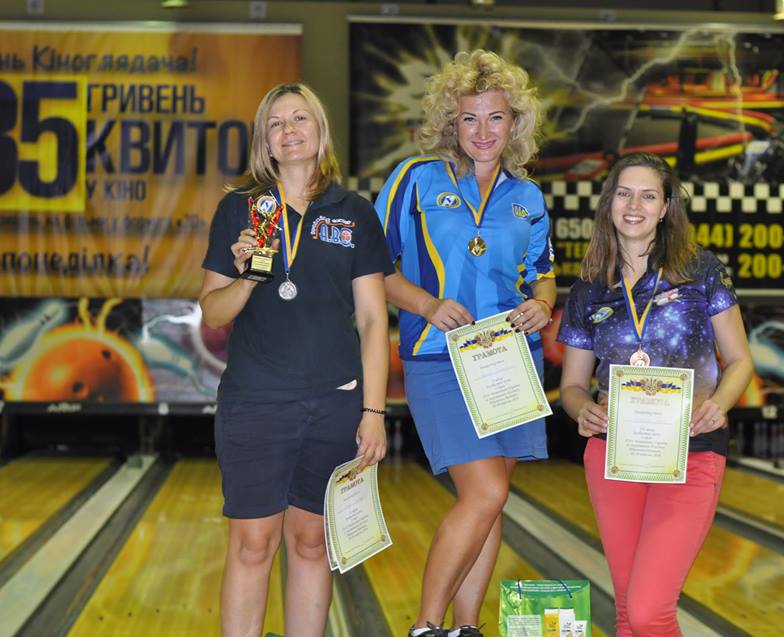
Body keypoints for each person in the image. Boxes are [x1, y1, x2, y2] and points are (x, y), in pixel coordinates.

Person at [199, 82, 392, 637]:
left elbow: (374, 321)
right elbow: (213, 313)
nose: (289, 130)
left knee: (311, 543)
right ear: (265, 140)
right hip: (256, 403)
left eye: (300, 118)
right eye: (276, 123)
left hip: (335, 405)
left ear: (320, 130)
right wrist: (247, 277)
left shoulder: (354, 213)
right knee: (252, 543)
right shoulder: (240, 209)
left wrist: (374, 412)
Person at [374, 50, 556, 637]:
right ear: (449, 123)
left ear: (514, 122)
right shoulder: (416, 179)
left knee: (492, 500)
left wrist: (543, 304)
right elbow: (372, 269)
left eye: (495, 117)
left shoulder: (527, 196)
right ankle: (427, 626)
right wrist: (427, 305)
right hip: (438, 356)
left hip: (510, 359)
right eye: (469, 118)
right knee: (485, 491)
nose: (482, 131)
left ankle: (466, 627)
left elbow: (543, 274)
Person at [557, 153, 753, 637]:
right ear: (609, 202)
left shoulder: (701, 270)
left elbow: (740, 361)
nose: (634, 205)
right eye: (624, 194)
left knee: (649, 612)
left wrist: (718, 405)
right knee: (628, 613)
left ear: (666, 207)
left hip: (692, 453)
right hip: (614, 456)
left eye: (648, 196)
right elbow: (572, 386)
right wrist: (584, 411)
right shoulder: (589, 289)